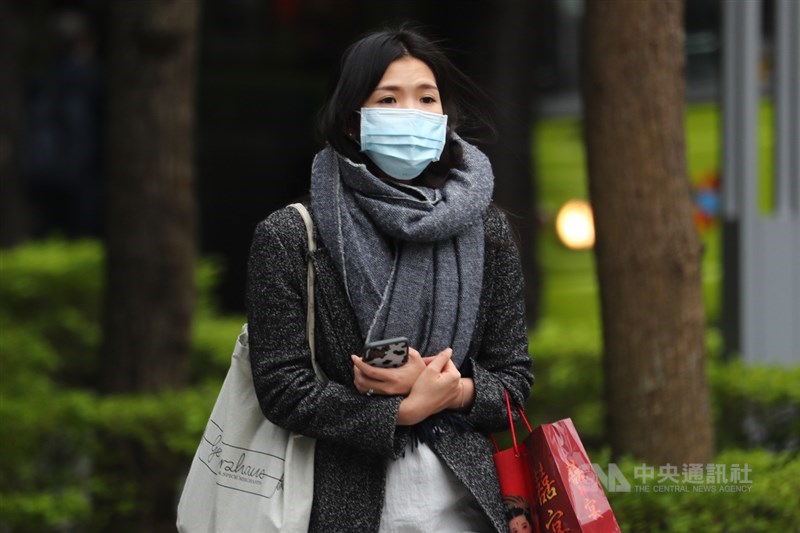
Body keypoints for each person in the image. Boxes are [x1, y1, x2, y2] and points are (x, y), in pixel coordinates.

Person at [247, 24, 533, 532]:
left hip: (468, 505)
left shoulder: (484, 229)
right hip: (339, 503)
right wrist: (396, 412)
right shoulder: (291, 236)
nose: (412, 114)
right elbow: (281, 388)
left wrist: (452, 393)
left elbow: (513, 378)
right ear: (353, 122)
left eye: (427, 99)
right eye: (389, 98)